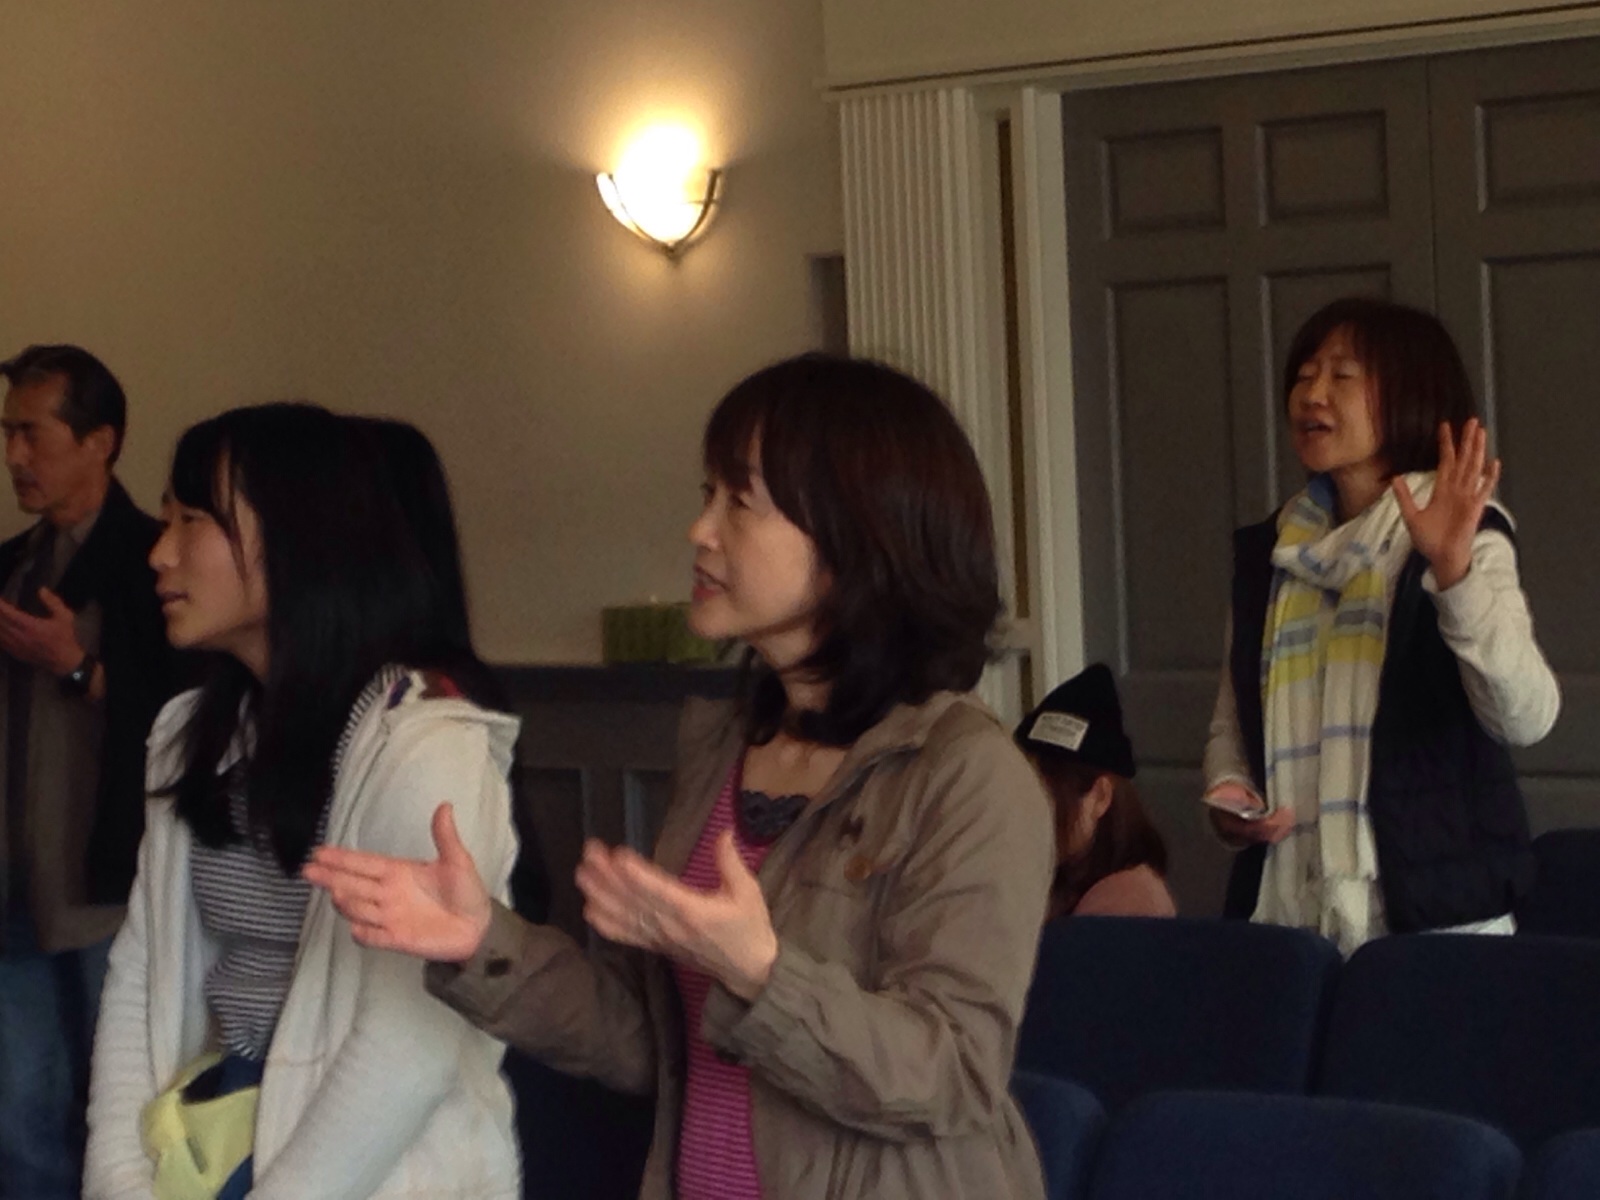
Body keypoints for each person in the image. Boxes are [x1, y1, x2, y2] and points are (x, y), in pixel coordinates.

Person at [305, 354, 1055, 1200]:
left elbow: (952, 1074)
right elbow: (652, 1041)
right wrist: (484, 940)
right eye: (708, 494)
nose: (701, 530)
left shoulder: (967, 773)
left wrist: (762, 975)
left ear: (857, 539)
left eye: (741, 502)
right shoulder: (727, 746)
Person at [84, 404, 521, 1199]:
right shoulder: (193, 729)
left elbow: (409, 1042)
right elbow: (142, 967)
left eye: (192, 520)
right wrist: (117, 1179)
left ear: (294, 538)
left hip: (371, 1170)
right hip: (216, 1129)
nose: (160, 551)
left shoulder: (421, 740)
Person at [1202, 297, 1560, 955]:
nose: (1312, 394)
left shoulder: (1464, 532)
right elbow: (1233, 721)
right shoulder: (1271, 552)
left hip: (1437, 929)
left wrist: (1452, 572)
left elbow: (1527, 716)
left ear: (1410, 394)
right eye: (1304, 375)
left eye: (1342, 375)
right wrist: (1230, 793)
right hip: (1289, 923)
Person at [0, 344, 180, 1200]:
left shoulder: (158, 562)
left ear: (99, 441)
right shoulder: (12, 565)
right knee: (19, 1117)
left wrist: (77, 666)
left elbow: (194, 712)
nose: (14, 456)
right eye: (7, 434)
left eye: (31, 434)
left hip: (114, 886)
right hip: (14, 883)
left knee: (128, 1118)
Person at [1016, 663, 1175, 920]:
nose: (1032, 815)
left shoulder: (1129, 900)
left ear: (1101, 796)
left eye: (1050, 800)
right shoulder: (1056, 881)